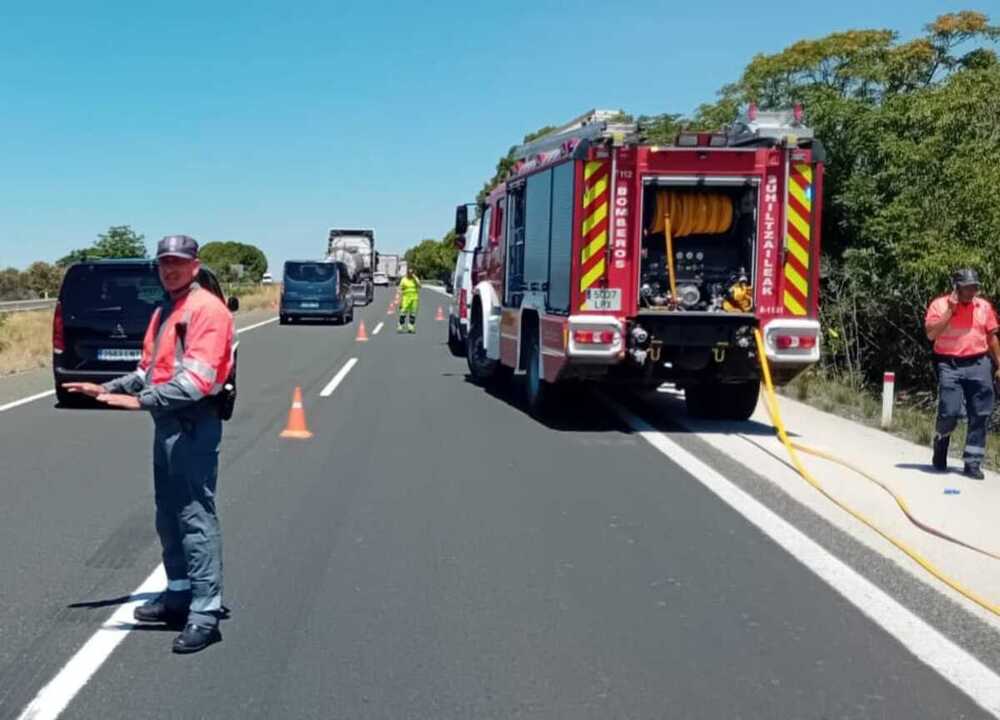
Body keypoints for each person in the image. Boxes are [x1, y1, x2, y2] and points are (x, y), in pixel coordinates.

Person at [64, 235, 235, 653]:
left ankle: (205, 612)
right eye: (164, 263)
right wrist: (104, 387)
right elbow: (148, 373)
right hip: (167, 423)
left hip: (195, 424)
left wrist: (139, 401)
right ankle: (177, 594)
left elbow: (198, 381)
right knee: (168, 514)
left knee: (195, 515)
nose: (170, 269)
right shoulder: (164, 311)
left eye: (178, 262)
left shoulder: (206, 310)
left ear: (195, 266)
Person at [924, 268, 1000, 479]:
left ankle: (972, 462)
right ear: (956, 287)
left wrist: (999, 365)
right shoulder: (939, 305)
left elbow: (992, 337)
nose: (972, 291)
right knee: (949, 411)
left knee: (980, 413)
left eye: (974, 287)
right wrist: (950, 310)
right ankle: (940, 446)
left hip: (979, 362)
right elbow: (931, 335)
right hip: (949, 364)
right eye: (967, 287)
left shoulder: (983, 307)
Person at [398, 267, 421, 333]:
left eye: (412, 273)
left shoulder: (415, 279)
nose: (410, 274)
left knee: (413, 313)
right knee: (403, 312)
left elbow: (419, 286)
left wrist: (415, 278)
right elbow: (400, 289)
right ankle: (400, 326)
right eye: (409, 273)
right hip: (405, 298)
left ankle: (411, 327)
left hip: (414, 298)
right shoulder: (404, 280)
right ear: (407, 273)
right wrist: (400, 299)